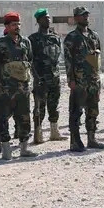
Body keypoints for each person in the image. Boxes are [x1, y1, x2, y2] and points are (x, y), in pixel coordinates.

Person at [0, 11, 37, 160]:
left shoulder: (26, 42)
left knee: (24, 118)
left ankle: (24, 148)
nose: (17, 27)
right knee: (2, 118)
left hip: (23, 89)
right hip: (5, 89)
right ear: (7, 27)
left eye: (18, 24)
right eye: (14, 24)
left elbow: (30, 62)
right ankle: (6, 150)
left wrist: (34, 79)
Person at [63, 6, 104, 152]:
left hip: (93, 79)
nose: (85, 17)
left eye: (86, 15)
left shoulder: (94, 36)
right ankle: (75, 141)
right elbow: (68, 60)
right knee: (76, 111)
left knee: (93, 110)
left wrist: (98, 77)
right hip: (79, 81)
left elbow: (97, 57)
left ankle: (92, 139)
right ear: (76, 18)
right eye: (82, 15)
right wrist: (71, 79)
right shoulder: (72, 37)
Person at [29, 8, 64, 144]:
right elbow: (30, 60)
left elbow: (57, 58)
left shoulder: (55, 38)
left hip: (54, 77)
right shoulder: (33, 39)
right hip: (41, 79)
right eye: (45, 18)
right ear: (38, 21)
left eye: (49, 17)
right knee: (39, 107)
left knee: (54, 105)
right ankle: (38, 134)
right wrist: (36, 76)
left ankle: (54, 132)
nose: (48, 20)